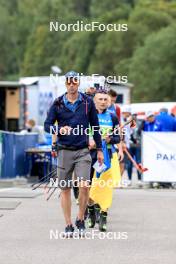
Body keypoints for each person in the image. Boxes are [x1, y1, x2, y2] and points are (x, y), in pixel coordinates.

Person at [44, 70, 104, 237]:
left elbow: (96, 127)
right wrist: (58, 129)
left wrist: (99, 149)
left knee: (84, 185)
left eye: (74, 82)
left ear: (78, 83)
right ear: (65, 83)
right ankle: (68, 224)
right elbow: (47, 125)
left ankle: (80, 219)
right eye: (69, 82)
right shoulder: (57, 103)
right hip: (64, 150)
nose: (71, 84)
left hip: (83, 150)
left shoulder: (87, 102)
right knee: (65, 189)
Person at [87, 90, 120, 232]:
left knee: (105, 186)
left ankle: (104, 214)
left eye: (105, 99)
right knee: (88, 186)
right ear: (94, 101)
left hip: (107, 156)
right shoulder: (87, 116)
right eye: (100, 99)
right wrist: (89, 141)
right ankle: (91, 211)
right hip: (90, 155)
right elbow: (80, 134)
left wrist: (110, 139)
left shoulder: (113, 117)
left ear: (109, 102)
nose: (103, 101)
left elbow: (118, 138)